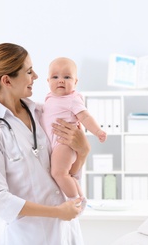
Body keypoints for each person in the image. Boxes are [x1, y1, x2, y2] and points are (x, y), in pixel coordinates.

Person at [0, 43, 91, 245]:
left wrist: (83, 153)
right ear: (7, 80)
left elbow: (64, 172)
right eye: (29, 71)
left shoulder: (44, 113)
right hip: (29, 237)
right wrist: (56, 212)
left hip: (67, 232)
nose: (37, 77)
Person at [41, 57, 107, 204]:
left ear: (75, 82)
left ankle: (74, 199)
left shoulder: (73, 99)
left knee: (58, 173)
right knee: (66, 174)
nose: (61, 80)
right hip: (54, 143)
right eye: (55, 77)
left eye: (67, 77)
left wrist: (98, 132)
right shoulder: (49, 97)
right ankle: (79, 193)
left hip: (64, 144)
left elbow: (85, 117)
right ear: (48, 81)